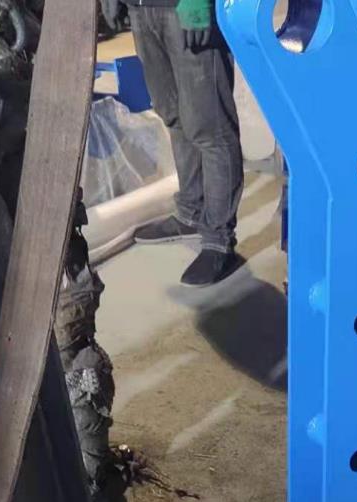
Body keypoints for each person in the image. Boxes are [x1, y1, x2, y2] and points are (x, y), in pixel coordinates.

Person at [101, 0, 244, 287]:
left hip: (182, 8)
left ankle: (218, 239)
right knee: (174, 115)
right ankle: (191, 212)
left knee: (211, 127)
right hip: (142, 10)